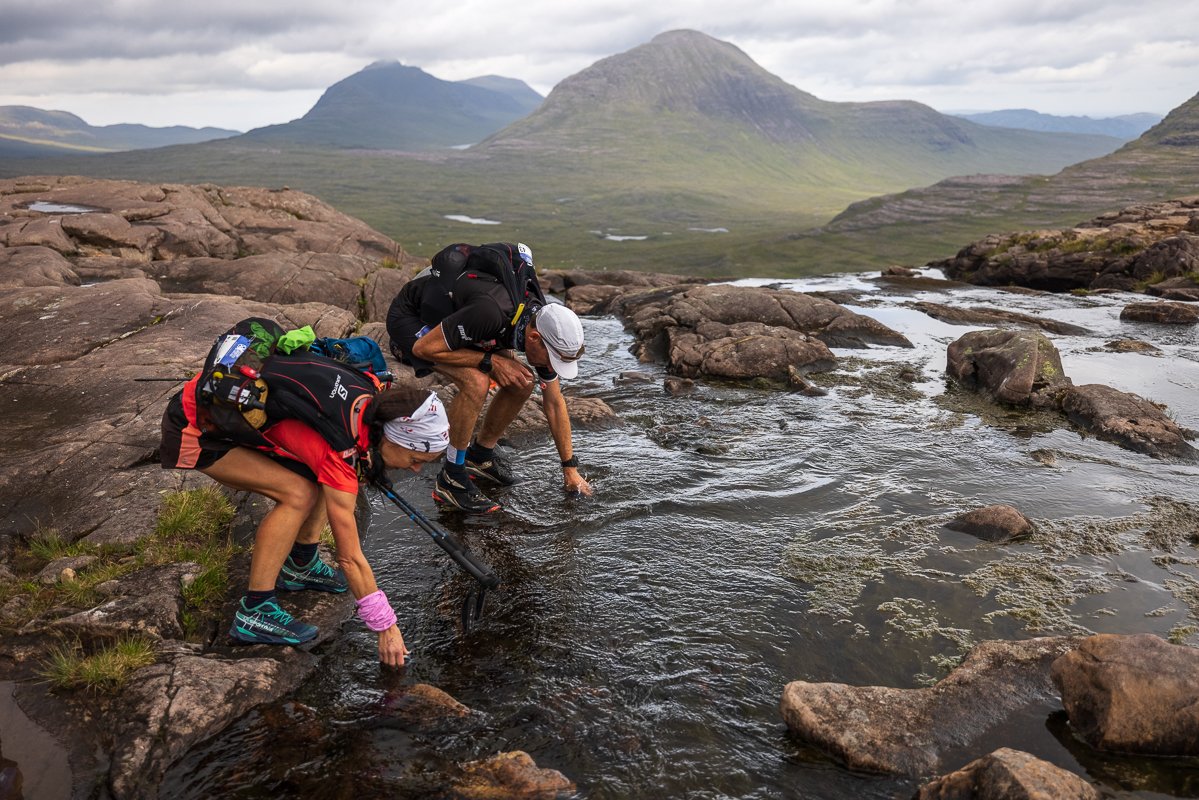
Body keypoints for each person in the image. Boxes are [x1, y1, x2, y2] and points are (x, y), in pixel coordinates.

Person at [160, 360, 449, 667]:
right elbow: (349, 558)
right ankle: (254, 610)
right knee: (298, 495)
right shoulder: (341, 446)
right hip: (195, 428)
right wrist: (386, 627)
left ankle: (301, 563)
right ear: (393, 437)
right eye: (416, 458)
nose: (416, 468)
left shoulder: (368, 399)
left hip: (220, 414)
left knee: (325, 480)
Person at [386, 242, 592, 513]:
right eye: (551, 359)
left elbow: (553, 402)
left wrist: (570, 469)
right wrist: (490, 361)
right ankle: (452, 477)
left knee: (523, 381)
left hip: (464, 325)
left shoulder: (538, 317)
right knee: (477, 381)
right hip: (413, 324)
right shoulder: (490, 312)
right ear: (534, 338)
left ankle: (480, 457)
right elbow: (423, 348)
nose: (550, 366)